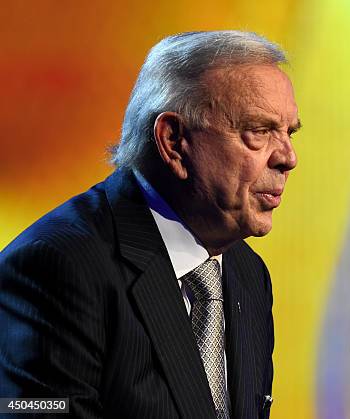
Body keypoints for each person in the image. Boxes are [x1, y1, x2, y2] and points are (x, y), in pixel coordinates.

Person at [0, 31, 300, 419]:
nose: (289, 158)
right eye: (259, 131)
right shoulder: (58, 266)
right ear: (173, 141)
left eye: (289, 132)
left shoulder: (247, 273)